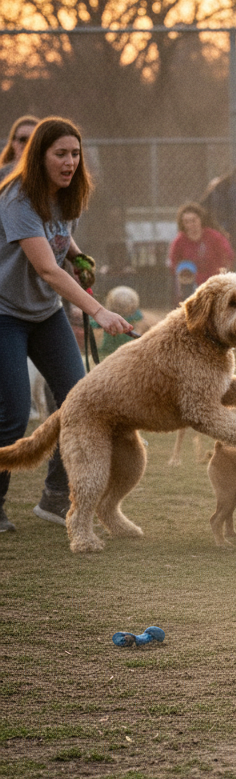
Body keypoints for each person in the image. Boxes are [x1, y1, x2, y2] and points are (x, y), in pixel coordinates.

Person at [0, 116, 132, 533]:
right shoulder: (18, 198)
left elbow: (59, 237)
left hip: (44, 313)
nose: (70, 161)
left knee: (80, 403)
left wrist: (76, 254)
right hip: (5, 313)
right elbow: (46, 269)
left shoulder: (68, 193)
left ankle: (56, 497)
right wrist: (97, 310)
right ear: (40, 156)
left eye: (75, 153)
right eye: (61, 153)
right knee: (14, 413)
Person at [167, 202, 234, 289]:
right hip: (190, 285)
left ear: (200, 219)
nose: (191, 225)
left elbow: (228, 255)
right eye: (187, 222)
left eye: (194, 220)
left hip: (213, 283)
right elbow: (173, 264)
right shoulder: (179, 241)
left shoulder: (214, 237)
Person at [0, 116, 38, 183]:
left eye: (33, 140)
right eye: (23, 139)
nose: (28, 144)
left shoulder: (51, 175)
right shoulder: (2, 176)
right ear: (13, 143)